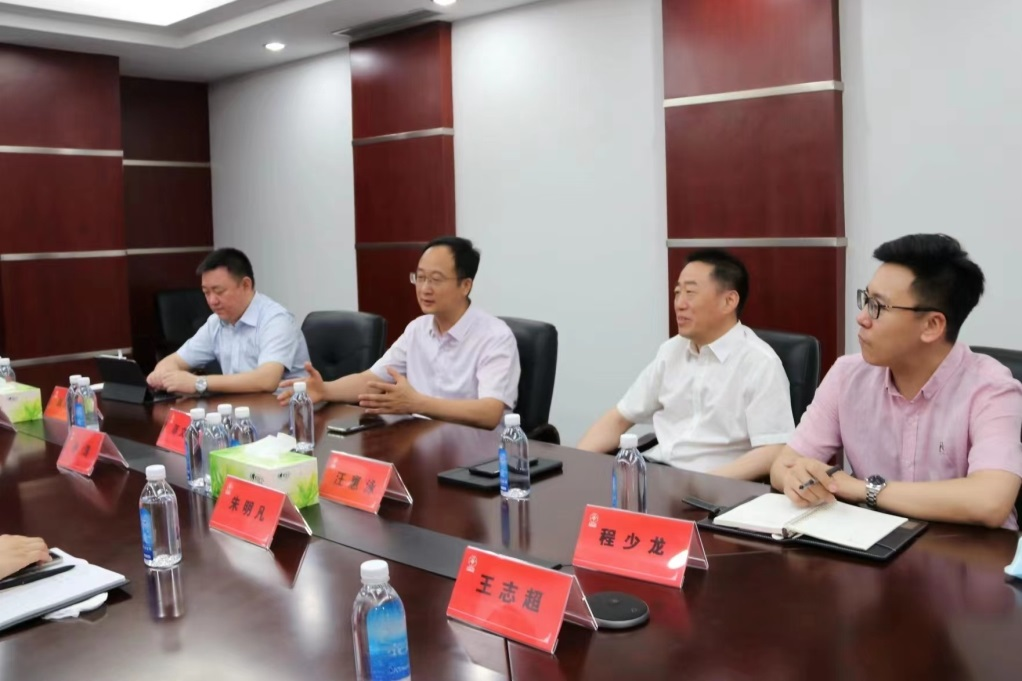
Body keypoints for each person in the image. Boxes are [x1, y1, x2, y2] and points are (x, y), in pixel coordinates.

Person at [770, 234, 1022, 529]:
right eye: (865, 300)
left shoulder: (991, 388)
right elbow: (782, 466)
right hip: (872, 544)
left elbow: (990, 501)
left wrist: (861, 489)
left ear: (932, 325)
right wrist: (798, 478)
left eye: (878, 307)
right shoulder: (847, 375)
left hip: (968, 551)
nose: (862, 318)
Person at [577, 249, 794, 477]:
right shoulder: (671, 350)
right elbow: (620, 417)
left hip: (717, 485)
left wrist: (706, 485)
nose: (679, 304)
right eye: (677, 292)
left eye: (690, 293)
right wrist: (576, 463)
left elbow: (772, 449)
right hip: (658, 474)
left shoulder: (760, 363)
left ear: (728, 301)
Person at [279, 237, 520, 431]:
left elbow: (490, 413)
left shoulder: (494, 337)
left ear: (465, 285)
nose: (424, 288)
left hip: (477, 455)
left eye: (436, 279)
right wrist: (325, 390)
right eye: (420, 277)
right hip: (420, 443)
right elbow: (371, 380)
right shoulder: (417, 329)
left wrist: (418, 403)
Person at [147, 248, 309, 395]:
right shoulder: (216, 323)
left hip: (286, 411)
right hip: (239, 410)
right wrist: (162, 375)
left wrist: (198, 383)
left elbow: (266, 380)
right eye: (206, 292)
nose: (212, 301)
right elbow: (175, 360)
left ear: (246, 285)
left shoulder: (276, 320)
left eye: (219, 291)